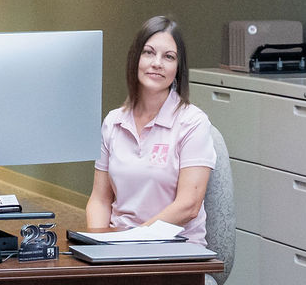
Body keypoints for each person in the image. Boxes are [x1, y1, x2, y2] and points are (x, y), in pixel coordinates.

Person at [86, 16, 217, 247]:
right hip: (121, 246)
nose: (157, 63)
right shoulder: (113, 122)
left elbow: (189, 205)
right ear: (135, 58)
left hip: (175, 248)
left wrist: (135, 240)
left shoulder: (193, 123)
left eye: (168, 57)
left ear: (177, 69)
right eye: (148, 53)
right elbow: (100, 200)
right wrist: (98, 244)